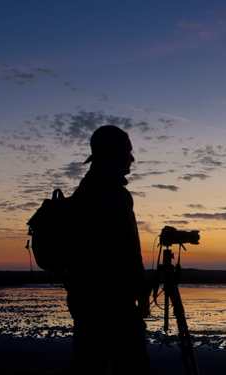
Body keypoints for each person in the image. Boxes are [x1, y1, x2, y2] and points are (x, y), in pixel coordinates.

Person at [67, 125, 151, 374]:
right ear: (114, 153)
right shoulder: (114, 194)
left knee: (87, 367)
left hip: (83, 299)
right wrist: (143, 294)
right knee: (134, 369)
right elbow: (129, 251)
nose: (132, 159)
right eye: (128, 152)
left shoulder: (84, 191)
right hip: (114, 303)